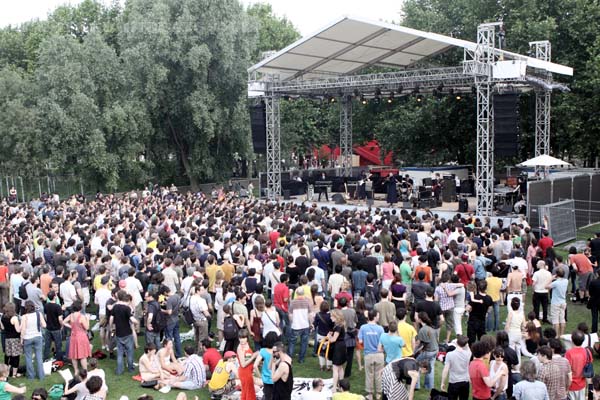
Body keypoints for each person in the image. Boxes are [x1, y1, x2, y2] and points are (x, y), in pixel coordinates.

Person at [109, 290, 138, 375]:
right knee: (129, 352)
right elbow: (132, 319)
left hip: (119, 333)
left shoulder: (115, 307)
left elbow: (111, 318)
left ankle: (119, 370)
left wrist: (111, 327)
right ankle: (130, 368)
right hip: (127, 333)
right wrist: (137, 323)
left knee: (120, 353)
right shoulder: (127, 308)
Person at [358, 309, 384, 400]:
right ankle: (378, 394)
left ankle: (370, 394)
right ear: (375, 316)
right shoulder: (380, 328)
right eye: (378, 315)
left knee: (369, 374)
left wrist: (367, 343)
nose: (378, 317)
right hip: (379, 355)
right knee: (378, 374)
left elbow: (360, 341)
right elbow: (383, 342)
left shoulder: (363, 327)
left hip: (368, 355)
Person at [63, 300, 91, 376]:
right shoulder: (81, 317)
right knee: (83, 355)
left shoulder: (71, 315)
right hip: (81, 336)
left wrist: (71, 326)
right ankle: (85, 371)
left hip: (73, 336)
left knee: (73, 355)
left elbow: (63, 322)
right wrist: (88, 319)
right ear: (80, 307)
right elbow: (87, 327)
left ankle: (76, 370)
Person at [20, 300, 46, 380]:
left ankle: (31, 376)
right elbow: (44, 325)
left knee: (28, 357)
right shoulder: (39, 314)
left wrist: (21, 339)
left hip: (27, 338)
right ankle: (41, 376)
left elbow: (23, 329)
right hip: (38, 336)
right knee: (39, 356)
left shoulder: (24, 317)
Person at [440, 335, 471, 400]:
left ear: (456, 343)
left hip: (453, 382)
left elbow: (446, 370)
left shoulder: (450, 354)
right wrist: (467, 345)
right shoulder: (468, 354)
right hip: (465, 382)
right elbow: (468, 350)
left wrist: (442, 382)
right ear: (465, 344)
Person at [288, 287, 311, 363]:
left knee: (292, 342)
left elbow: (290, 314)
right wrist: (310, 323)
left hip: (296, 325)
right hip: (305, 325)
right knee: (304, 342)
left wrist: (292, 322)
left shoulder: (293, 302)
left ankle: (289, 358)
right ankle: (301, 359)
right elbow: (310, 314)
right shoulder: (307, 302)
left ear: (296, 293)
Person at [566, 330, 590, 400]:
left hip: (571, 386)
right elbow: (589, 372)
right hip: (582, 385)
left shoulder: (569, 353)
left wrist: (566, 388)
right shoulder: (587, 352)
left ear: (572, 340)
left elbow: (568, 371)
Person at [254, 332, 278, 400]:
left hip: (266, 379)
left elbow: (255, 365)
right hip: (276, 378)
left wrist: (260, 376)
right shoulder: (278, 352)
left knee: (267, 396)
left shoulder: (263, 351)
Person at [328, 309, 348, 393]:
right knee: (340, 367)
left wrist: (329, 337)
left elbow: (333, 339)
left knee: (335, 368)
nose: (330, 317)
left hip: (338, 348)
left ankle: (334, 387)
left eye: (332, 316)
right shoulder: (340, 325)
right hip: (342, 346)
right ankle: (341, 385)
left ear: (336, 317)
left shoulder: (338, 326)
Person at [1, 303, 22, 378]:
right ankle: (14, 374)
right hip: (15, 339)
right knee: (16, 356)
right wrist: (22, 324)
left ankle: (6, 372)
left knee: (8, 356)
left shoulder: (3, 317)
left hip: (7, 339)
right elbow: (18, 330)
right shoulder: (14, 318)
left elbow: (3, 328)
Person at [237, 329, 258, 400]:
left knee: (248, 391)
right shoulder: (240, 349)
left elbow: (248, 358)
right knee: (248, 392)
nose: (242, 340)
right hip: (244, 372)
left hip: (249, 371)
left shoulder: (247, 345)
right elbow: (243, 364)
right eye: (240, 338)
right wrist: (253, 356)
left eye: (244, 338)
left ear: (247, 338)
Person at [547, 268, 568, 337]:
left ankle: (556, 335)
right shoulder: (566, 281)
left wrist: (551, 278)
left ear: (556, 274)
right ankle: (561, 335)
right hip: (563, 302)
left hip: (555, 303)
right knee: (562, 319)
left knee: (555, 320)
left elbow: (546, 286)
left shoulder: (555, 283)